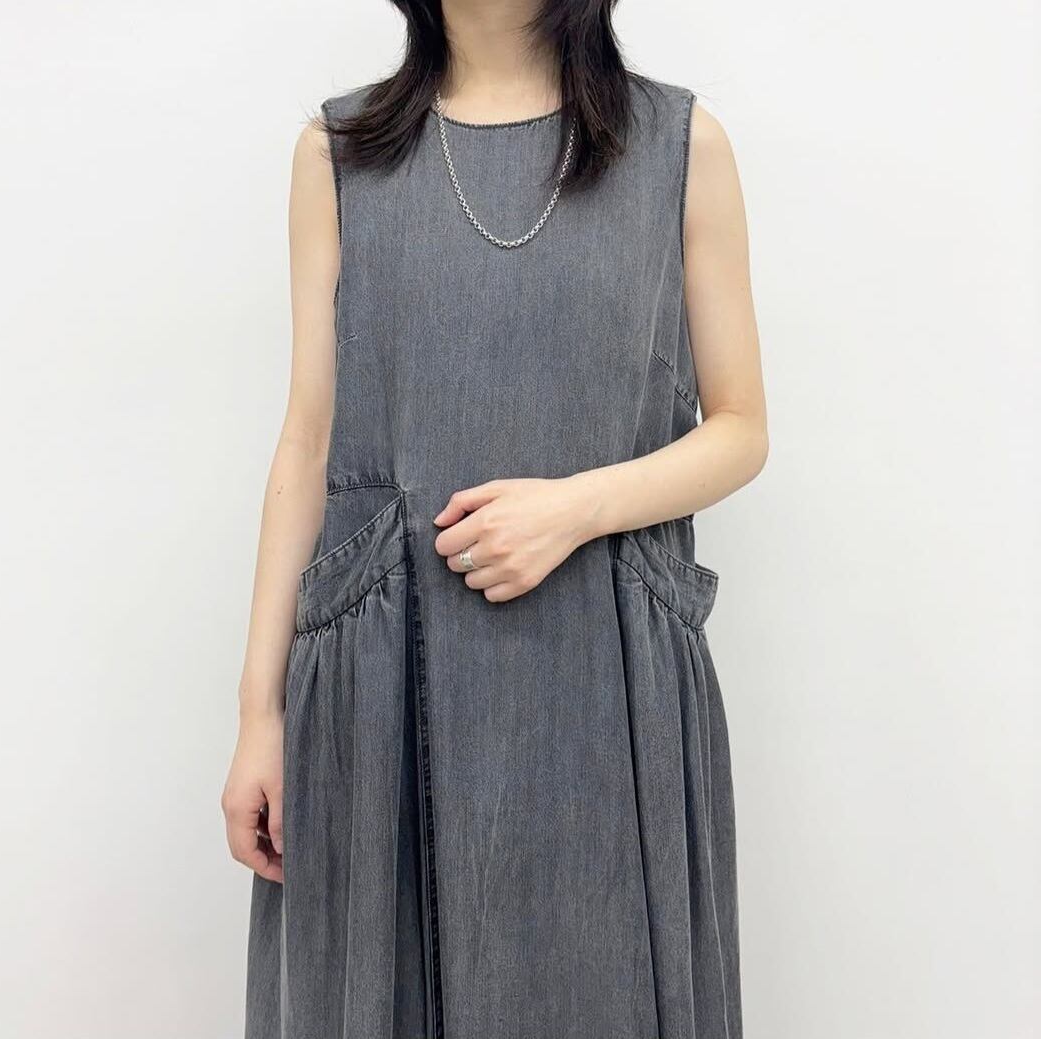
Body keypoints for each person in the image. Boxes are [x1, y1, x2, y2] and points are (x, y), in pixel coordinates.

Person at [222, 1, 767, 1036]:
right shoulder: (337, 154)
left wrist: (575, 508)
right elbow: (307, 443)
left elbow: (741, 428)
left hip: (607, 676)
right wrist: (260, 715)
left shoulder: (681, 146)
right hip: (379, 682)